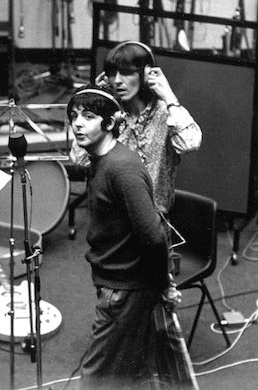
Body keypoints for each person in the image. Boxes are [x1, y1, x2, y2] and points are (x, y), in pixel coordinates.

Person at [67, 85, 180, 390]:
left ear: (109, 123)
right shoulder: (101, 161)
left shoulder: (122, 169)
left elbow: (154, 236)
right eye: (74, 116)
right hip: (117, 283)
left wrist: (163, 286)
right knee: (129, 370)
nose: (77, 123)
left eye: (88, 116)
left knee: (96, 376)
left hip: (124, 289)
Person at [72, 40, 201, 216]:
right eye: (112, 73)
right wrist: (95, 106)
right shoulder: (110, 115)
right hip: (113, 222)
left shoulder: (166, 113)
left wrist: (169, 97)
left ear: (147, 74)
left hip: (154, 222)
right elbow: (80, 159)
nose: (117, 81)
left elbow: (190, 143)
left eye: (126, 73)